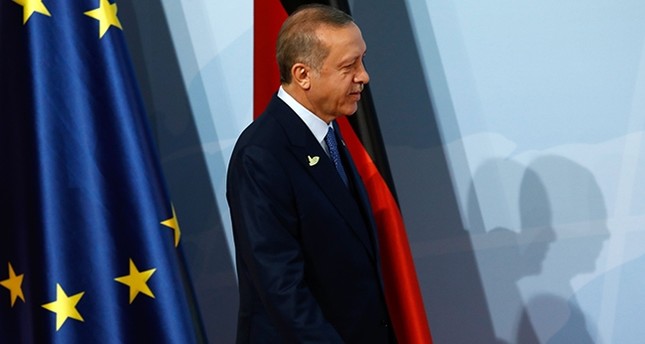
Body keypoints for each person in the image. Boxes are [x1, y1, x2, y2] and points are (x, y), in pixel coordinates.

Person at [226, 4, 395, 343]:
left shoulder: (329, 134)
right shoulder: (261, 155)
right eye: (349, 66)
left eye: (362, 60)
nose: (364, 76)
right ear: (303, 75)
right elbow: (282, 288)